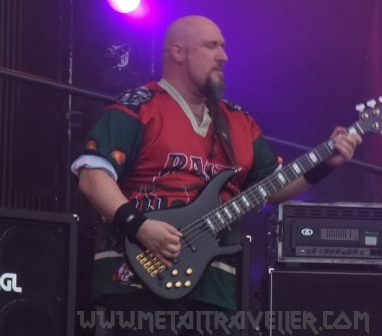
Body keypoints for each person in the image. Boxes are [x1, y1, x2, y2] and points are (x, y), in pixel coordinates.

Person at [71, 15, 362, 335]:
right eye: (212, 46)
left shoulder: (239, 122)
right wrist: (140, 227)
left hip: (216, 289)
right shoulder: (139, 107)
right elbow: (93, 175)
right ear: (179, 53)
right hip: (137, 281)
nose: (224, 56)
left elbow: (273, 187)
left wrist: (325, 163)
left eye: (223, 47)